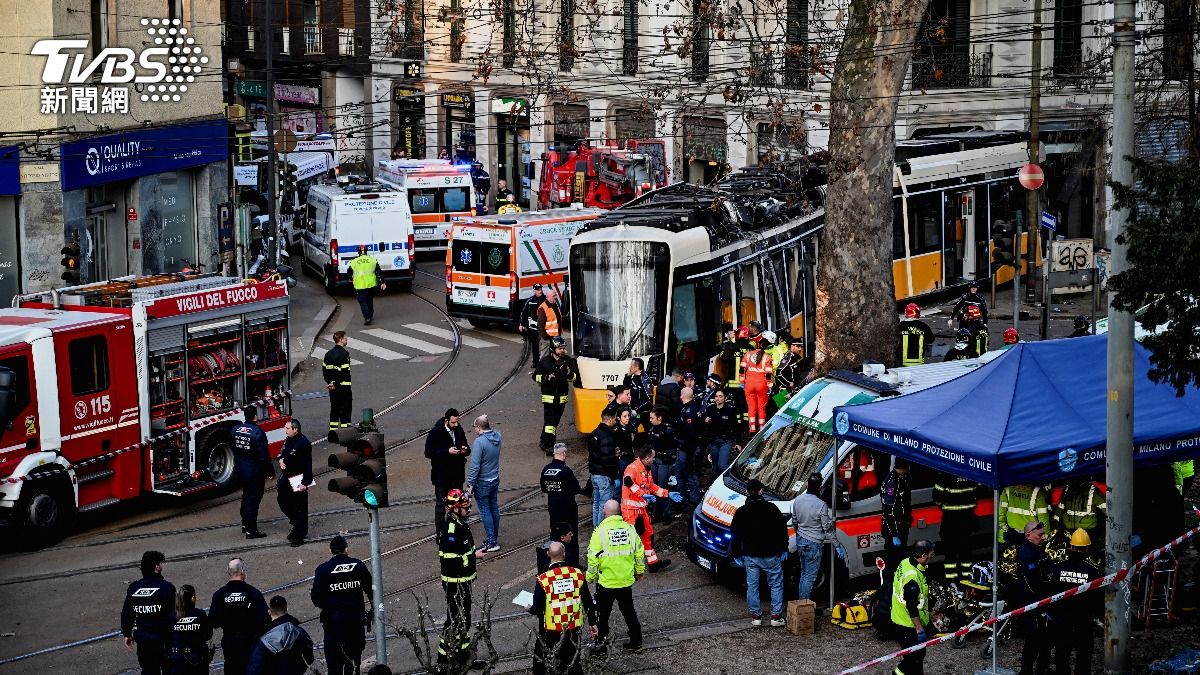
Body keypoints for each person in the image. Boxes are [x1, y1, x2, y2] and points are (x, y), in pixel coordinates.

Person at [529, 542, 598, 675]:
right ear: (564, 554)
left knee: (541, 660)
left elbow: (537, 608)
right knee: (573, 662)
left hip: (551, 629)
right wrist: (592, 623)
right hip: (573, 627)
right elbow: (588, 602)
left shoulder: (544, 579)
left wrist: (529, 608)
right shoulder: (577, 574)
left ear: (548, 554)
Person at [438, 489, 488, 671]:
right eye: (466, 508)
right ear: (455, 509)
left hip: (463, 581)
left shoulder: (459, 522)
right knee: (454, 620)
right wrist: (474, 556)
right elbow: (451, 559)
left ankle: (464, 657)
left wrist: (473, 555)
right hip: (455, 582)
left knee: (464, 620)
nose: (469, 510)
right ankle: (443, 661)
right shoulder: (451, 528)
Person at [587, 499, 646, 653]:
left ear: (606, 514)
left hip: (606, 583)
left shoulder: (599, 532)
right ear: (619, 513)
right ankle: (636, 641)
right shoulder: (630, 529)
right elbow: (639, 552)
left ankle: (601, 646)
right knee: (629, 611)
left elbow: (593, 559)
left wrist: (590, 577)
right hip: (625, 581)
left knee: (603, 615)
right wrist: (639, 571)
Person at [730, 479, 789, 626]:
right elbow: (782, 530)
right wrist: (784, 548)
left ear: (746, 492)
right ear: (761, 491)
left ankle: (756, 616)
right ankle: (776, 616)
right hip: (771, 554)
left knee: (753, 586)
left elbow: (735, 534)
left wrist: (737, 554)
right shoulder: (771, 508)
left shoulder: (741, 512)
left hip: (750, 555)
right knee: (775, 584)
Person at [311, 536, 373, 675]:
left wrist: (330, 606)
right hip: (355, 622)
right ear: (346, 549)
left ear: (331, 551)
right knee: (354, 662)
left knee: (334, 665)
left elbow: (315, 597)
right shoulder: (358, 565)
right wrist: (373, 609)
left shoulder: (323, 569)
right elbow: (371, 590)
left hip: (333, 623)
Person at [1048, 529, 1102, 675]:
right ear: (1087, 549)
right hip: (1083, 621)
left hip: (1062, 620)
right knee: (1083, 658)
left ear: (1070, 547)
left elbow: (1051, 594)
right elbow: (1096, 598)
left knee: (1062, 656)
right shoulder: (1092, 571)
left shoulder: (1058, 568)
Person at [621, 446, 682, 572]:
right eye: (653, 457)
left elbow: (652, 487)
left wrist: (668, 494)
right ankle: (627, 567)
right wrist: (642, 494)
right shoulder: (633, 468)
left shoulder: (646, 469)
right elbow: (627, 481)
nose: (654, 459)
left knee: (648, 535)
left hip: (641, 509)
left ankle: (653, 564)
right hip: (630, 511)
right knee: (632, 539)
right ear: (647, 458)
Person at [210, 558, 270, 675]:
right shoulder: (253, 593)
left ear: (229, 572)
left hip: (230, 643)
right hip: (251, 643)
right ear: (242, 571)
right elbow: (265, 618)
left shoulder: (219, 595)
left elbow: (213, 621)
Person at [121, 551, 176, 675]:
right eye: (160, 564)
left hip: (144, 641)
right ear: (156, 567)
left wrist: (127, 633)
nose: (161, 567)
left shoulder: (134, 588)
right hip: (164, 640)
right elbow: (175, 615)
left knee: (148, 670)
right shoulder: (167, 588)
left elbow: (126, 612)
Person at [792, 473, 840, 601]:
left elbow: (795, 522)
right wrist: (837, 544)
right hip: (813, 544)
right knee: (810, 577)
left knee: (803, 574)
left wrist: (799, 534)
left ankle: (800, 603)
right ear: (820, 487)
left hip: (800, 541)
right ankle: (803, 604)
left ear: (807, 484)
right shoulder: (821, 505)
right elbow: (827, 528)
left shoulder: (797, 500)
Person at [890, 540, 936, 675]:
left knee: (916, 658)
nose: (932, 557)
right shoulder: (912, 577)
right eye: (931, 554)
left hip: (899, 618)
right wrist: (919, 629)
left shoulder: (905, 562)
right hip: (907, 625)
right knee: (914, 658)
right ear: (923, 555)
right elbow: (911, 606)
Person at [1015, 521, 1052, 675]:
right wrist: (1043, 602)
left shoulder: (1036, 550)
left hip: (1042, 602)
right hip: (1033, 604)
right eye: (1040, 535)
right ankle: (1027, 671)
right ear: (1029, 536)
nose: (1043, 537)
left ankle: (1041, 668)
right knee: (1034, 640)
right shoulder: (1027, 555)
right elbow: (1033, 583)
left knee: (1045, 639)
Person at [425, 408, 471, 533]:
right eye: (453, 423)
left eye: (457, 422)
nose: (456, 425)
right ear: (446, 421)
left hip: (456, 474)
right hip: (442, 476)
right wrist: (447, 451)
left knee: (458, 504)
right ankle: (440, 533)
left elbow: (467, 447)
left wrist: (464, 449)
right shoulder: (436, 432)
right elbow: (428, 452)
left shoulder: (458, 429)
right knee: (440, 505)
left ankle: (458, 529)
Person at [533, 337, 580, 453]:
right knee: (550, 423)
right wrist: (546, 378)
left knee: (554, 423)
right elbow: (535, 376)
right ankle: (549, 445)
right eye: (560, 348)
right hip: (549, 398)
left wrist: (569, 373)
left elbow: (575, 377)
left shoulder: (568, 361)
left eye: (563, 348)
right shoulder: (545, 361)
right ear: (553, 349)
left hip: (562, 398)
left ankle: (543, 441)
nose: (562, 351)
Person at [246, 596, 314, 675]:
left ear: (269, 611)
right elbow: (309, 657)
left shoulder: (264, 639)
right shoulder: (299, 632)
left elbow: (254, 668)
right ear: (287, 609)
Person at [232, 407, 271, 539]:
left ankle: (244, 524)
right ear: (255, 416)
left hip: (241, 471)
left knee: (246, 496)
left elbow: (233, 448)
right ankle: (251, 530)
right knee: (253, 501)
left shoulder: (235, 430)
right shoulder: (258, 432)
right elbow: (264, 456)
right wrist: (269, 471)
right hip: (255, 472)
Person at [932, 473, 978, 582]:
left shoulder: (945, 474)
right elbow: (980, 490)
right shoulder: (971, 471)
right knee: (966, 552)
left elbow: (936, 497)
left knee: (950, 553)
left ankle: (952, 583)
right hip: (968, 518)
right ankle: (967, 581)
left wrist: (944, 506)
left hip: (950, 520)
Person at [467, 414, 502, 553]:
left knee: (485, 510)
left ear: (479, 427)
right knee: (494, 508)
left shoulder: (479, 442)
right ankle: (494, 538)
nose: (474, 429)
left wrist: (470, 484)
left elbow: (475, 466)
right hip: (494, 479)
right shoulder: (498, 436)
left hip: (482, 482)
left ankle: (492, 541)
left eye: (475, 427)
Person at [277, 419, 313, 547]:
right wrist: (281, 460)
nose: (285, 431)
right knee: (282, 500)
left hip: (298, 478)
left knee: (300, 507)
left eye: (287, 428)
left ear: (295, 429)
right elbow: (282, 453)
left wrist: (305, 482)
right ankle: (295, 522)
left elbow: (307, 464)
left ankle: (299, 535)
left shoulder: (303, 443)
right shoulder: (288, 440)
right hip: (287, 477)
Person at [541, 442, 583, 544]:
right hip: (567, 507)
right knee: (570, 534)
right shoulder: (565, 470)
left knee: (556, 532)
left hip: (553, 506)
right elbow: (576, 488)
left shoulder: (546, 469)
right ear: (564, 454)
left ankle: (556, 553)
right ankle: (570, 555)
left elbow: (544, 488)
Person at [169, 585, 214, 675]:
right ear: (193, 598)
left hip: (177, 658)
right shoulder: (200, 614)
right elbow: (208, 634)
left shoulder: (172, 616)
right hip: (197, 658)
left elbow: (168, 636)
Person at [588, 406, 621, 527]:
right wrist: (614, 476)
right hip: (604, 476)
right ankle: (601, 529)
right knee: (605, 504)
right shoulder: (607, 435)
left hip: (594, 474)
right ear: (611, 419)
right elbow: (607, 459)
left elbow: (596, 454)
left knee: (596, 502)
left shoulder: (594, 432)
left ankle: (596, 528)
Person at [644, 405, 679, 521]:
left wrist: (666, 456)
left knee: (662, 488)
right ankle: (656, 512)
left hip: (664, 462)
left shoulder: (667, 430)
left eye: (652, 418)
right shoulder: (652, 429)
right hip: (655, 461)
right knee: (654, 487)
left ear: (659, 418)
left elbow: (674, 447)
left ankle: (667, 514)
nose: (650, 420)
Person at [880, 459, 913, 573]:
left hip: (901, 526)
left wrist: (908, 518)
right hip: (893, 529)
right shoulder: (892, 482)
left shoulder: (903, 478)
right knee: (893, 562)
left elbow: (905, 503)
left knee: (901, 559)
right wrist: (894, 534)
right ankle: (892, 586)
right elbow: (888, 511)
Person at [676, 385, 705, 507]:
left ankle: (693, 500)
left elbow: (691, 433)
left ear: (683, 396)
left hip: (689, 449)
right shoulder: (686, 408)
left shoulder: (690, 410)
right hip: (684, 448)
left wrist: (688, 451)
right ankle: (682, 498)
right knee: (679, 474)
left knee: (690, 474)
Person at [1054, 478, 1106, 546]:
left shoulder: (1092, 491)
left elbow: (1106, 508)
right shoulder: (1068, 490)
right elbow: (1061, 507)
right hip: (1074, 530)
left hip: (1084, 531)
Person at [703, 389, 741, 477]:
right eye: (716, 396)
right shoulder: (710, 408)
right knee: (715, 467)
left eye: (720, 396)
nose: (718, 398)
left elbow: (736, 427)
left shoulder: (730, 410)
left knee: (722, 465)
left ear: (725, 398)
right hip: (713, 442)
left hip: (725, 441)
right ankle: (716, 485)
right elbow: (705, 426)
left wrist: (738, 442)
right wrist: (705, 421)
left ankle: (731, 480)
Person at [322, 331, 353, 436]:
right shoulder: (345, 354)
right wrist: (336, 382)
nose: (346, 340)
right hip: (344, 387)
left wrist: (330, 382)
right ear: (340, 339)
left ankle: (333, 432)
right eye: (345, 338)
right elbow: (344, 372)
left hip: (333, 388)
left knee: (334, 408)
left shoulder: (328, 354)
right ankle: (345, 432)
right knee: (345, 409)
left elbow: (325, 371)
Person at [740, 337, 773, 433]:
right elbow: (768, 373)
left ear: (757, 345)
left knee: (751, 408)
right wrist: (769, 385)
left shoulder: (748, 354)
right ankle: (762, 429)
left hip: (749, 384)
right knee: (761, 408)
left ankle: (752, 429)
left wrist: (742, 382)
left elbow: (742, 369)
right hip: (761, 385)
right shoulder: (767, 357)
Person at [348, 245, 386, 325]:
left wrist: (350, 278)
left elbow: (349, 272)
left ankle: (367, 317)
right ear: (366, 251)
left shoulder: (354, 262)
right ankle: (370, 314)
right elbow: (379, 271)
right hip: (371, 285)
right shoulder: (372, 260)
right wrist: (382, 282)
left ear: (358, 252)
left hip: (360, 285)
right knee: (369, 300)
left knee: (363, 302)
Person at [772, 335, 808, 400]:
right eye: (798, 346)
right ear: (792, 346)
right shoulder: (789, 358)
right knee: (784, 409)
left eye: (801, 347)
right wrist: (788, 383)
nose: (800, 349)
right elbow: (779, 373)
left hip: (791, 390)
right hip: (784, 391)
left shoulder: (794, 357)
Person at [519, 284, 546, 366]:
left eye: (541, 289)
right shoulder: (530, 300)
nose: (540, 291)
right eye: (538, 290)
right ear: (534, 291)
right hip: (534, 326)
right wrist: (521, 324)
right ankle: (535, 361)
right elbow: (523, 313)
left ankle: (546, 361)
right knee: (534, 344)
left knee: (546, 343)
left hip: (545, 326)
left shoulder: (546, 300)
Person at [623, 358, 655, 429]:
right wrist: (628, 375)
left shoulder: (645, 379)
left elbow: (648, 400)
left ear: (637, 367)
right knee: (630, 430)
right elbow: (625, 387)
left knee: (649, 432)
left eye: (631, 365)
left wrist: (637, 410)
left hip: (644, 413)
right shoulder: (634, 377)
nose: (629, 367)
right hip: (635, 412)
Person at [537, 288, 564, 355]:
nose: (556, 297)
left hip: (556, 337)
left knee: (557, 356)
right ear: (548, 297)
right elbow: (540, 326)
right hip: (548, 338)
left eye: (555, 295)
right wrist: (545, 337)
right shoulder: (543, 308)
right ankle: (541, 366)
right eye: (554, 296)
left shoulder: (554, 304)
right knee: (545, 357)